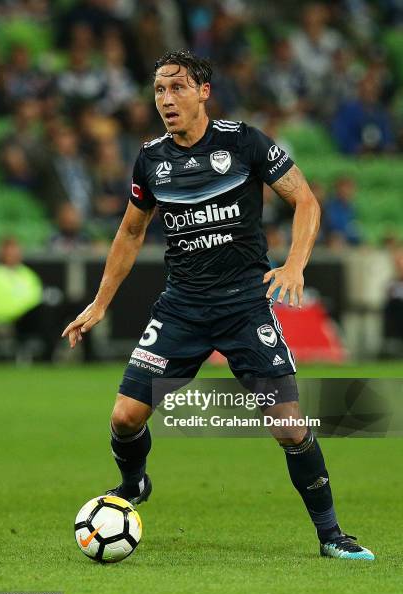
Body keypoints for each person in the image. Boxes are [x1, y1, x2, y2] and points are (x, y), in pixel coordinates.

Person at [62, 50, 374, 561]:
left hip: (244, 306)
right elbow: (131, 230)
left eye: (178, 87)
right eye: (160, 89)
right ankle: (134, 483)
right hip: (181, 307)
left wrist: (294, 265)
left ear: (203, 92)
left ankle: (331, 535)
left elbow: (306, 200)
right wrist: (100, 303)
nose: (166, 99)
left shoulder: (244, 142)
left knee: (291, 427)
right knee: (123, 418)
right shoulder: (152, 158)